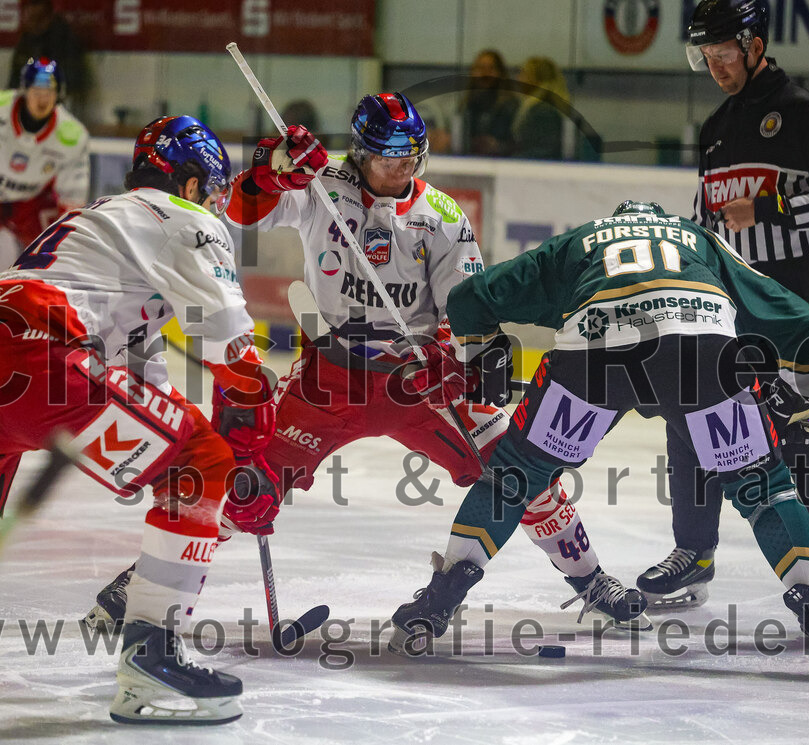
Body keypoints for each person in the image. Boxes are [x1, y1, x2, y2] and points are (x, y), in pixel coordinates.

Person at [87, 92, 645, 631]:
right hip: (331, 379)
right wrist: (276, 169)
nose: (399, 168)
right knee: (245, 482)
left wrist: (446, 356)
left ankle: (591, 581)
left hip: (420, 383)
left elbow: (468, 303)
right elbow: (239, 208)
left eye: (410, 157)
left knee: (520, 472)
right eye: (386, 157)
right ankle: (146, 586)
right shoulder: (321, 184)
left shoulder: (442, 216)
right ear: (358, 151)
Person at [388, 201, 809, 679]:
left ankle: (442, 597)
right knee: (766, 489)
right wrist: (796, 391)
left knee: (512, 478)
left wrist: (480, 359)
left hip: (597, 353)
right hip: (704, 352)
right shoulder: (694, 237)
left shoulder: (579, 241)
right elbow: (804, 320)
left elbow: (474, 297)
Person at [0, 115, 276, 724]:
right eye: (210, 191)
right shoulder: (184, 218)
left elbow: (138, 379)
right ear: (188, 180)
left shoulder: (100, 223)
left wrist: (199, 433)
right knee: (200, 463)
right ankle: (150, 665)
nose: (215, 207)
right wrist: (248, 439)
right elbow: (231, 348)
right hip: (32, 355)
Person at [637, 0, 809, 628]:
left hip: (795, 307)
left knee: (803, 436)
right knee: (692, 416)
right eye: (706, 57)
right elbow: (704, 222)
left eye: (723, 54)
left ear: (754, 45)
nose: (715, 67)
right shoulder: (716, 123)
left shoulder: (798, 111)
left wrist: (772, 207)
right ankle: (694, 553)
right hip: (727, 308)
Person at [0, 57, 90, 287]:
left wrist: (65, 240)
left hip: (26, 204)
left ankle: (40, 307)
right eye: (37, 90)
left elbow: (73, 197)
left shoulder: (72, 136)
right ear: (24, 90)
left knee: (56, 254)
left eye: (50, 91)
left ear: (59, 94)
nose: (43, 98)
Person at [7, 0, 90, 114]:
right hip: (26, 106)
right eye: (29, 7)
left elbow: (71, 83)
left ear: (47, 15)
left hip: (56, 107)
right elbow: (14, 79)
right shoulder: (26, 38)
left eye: (35, 5)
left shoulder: (63, 39)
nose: (30, 12)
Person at [460, 49, 518, 157]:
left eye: (491, 68)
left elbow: (519, 143)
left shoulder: (511, 106)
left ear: (500, 73)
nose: (485, 73)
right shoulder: (467, 105)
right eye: (481, 68)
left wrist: (499, 146)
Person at [512, 56, 569, 160]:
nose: (518, 78)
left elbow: (544, 150)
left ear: (535, 79)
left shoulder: (544, 111)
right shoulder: (535, 107)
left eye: (523, 74)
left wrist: (515, 161)